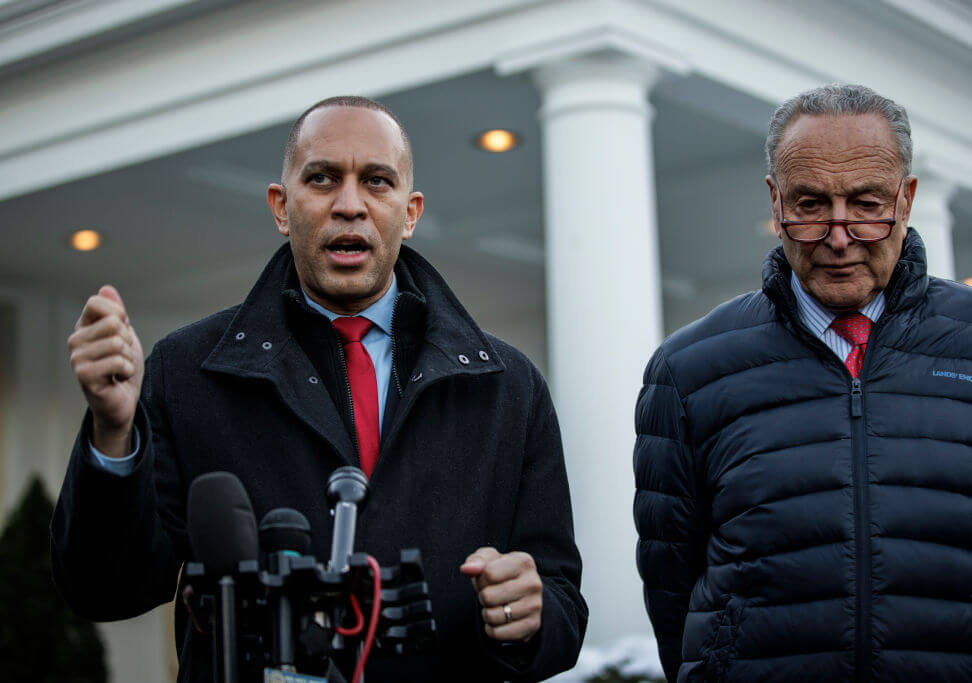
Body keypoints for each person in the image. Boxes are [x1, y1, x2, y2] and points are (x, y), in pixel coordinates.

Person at [52, 96, 586, 682]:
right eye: (323, 178)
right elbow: (105, 589)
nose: (350, 205)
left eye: (376, 182)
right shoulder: (186, 371)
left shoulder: (509, 386)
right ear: (282, 207)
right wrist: (112, 430)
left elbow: (561, 603)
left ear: (409, 213)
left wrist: (526, 613)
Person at [633, 84, 972, 682]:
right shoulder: (688, 371)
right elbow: (670, 585)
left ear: (908, 197)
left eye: (867, 204)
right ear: (775, 199)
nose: (839, 238)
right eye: (811, 204)